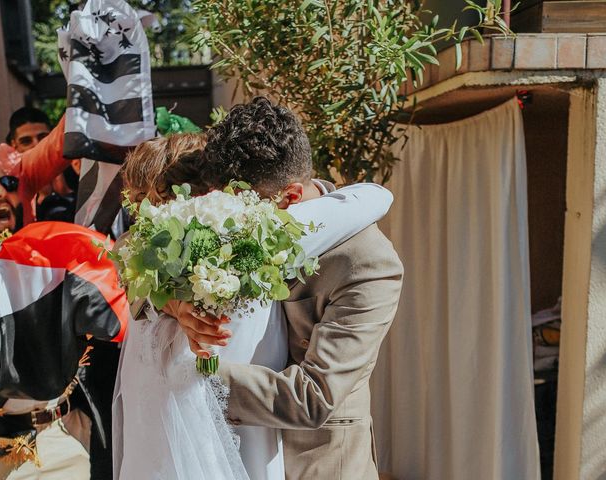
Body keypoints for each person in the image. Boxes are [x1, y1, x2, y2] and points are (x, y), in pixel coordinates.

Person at [112, 126, 395, 480]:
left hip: (317, 461)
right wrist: (169, 299)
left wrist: (194, 372)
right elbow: (129, 244)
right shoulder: (201, 252)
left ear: (289, 196)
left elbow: (312, 398)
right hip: (218, 451)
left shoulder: (360, 255)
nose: (237, 209)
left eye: (242, 200)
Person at [0, 116, 71, 264]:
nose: (1, 192)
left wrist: (86, 99)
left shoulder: (10, 166)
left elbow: (57, 145)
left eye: (8, 183)